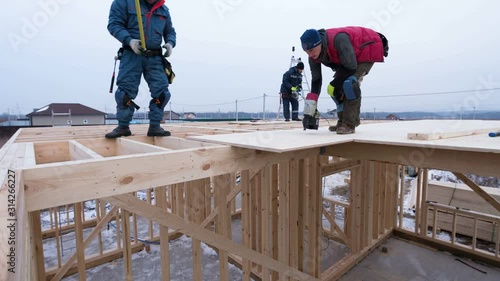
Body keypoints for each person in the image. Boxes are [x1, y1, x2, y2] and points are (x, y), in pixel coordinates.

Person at [105, 0, 176, 139]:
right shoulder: (124, 3)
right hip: (132, 55)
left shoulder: (163, 10)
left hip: (155, 57)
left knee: (162, 94)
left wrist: (170, 43)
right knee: (124, 93)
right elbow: (114, 24)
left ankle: (155, 126)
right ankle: (123, 127)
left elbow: (170, 31)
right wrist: (129, 40)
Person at [300, 26, 388, 134]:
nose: (309, 54)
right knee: (333, 89)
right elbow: (316, 80)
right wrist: (311, 105)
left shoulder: (338, 39)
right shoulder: (313, 56)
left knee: (349, 84)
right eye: (306, 52)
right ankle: (342, 121)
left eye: (311, 50)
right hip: (349, 58)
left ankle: (350, 124)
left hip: (368, 47)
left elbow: (351, 66)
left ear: (319, 43)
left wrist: (335, 83)